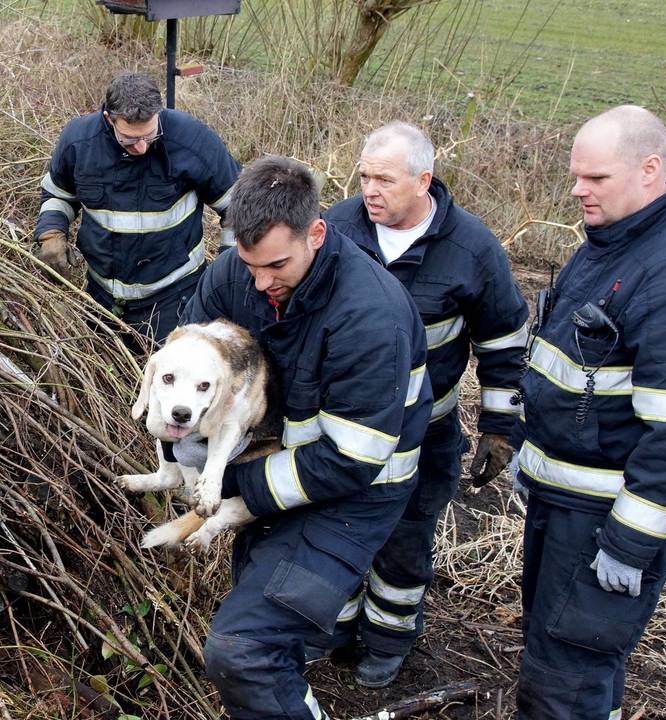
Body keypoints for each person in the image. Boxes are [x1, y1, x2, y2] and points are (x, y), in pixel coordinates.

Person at [175, 155, 432, 719]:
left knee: (246, 649)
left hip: (353, 498)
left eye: (277, 265)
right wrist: (187, 438)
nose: (262, 283)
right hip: (275, 476)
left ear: (316, 232)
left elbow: (349, 461)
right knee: (267, 639)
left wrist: (230, 477)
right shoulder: (232, 275)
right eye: (250, 264)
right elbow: (194, 363)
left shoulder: (371, 315)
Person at [316, 122, 529, 686]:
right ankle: (330, 629)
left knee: (407, 539)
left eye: (385, 179)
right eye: (364, 176)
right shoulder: (333, 230)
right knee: (333, 527)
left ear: (424, 181)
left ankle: (387, 641)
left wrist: (499, 428)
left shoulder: (470, 250)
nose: (370, 190)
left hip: (425, 432)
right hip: (338, 429)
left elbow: (504, 341)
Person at [510, 105, 666, 718]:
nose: (577, 190)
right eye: (576, 175)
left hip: (600, 520)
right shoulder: (606, 247)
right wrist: (528, 452)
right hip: (561, 503)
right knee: (563, 660)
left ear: (651, 169)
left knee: (564, 677)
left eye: (595, 178)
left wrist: (627, 543)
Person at [34, 71, 240, 349]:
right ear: (109, 118)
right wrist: (51, 233)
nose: (142, 147)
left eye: (150, 134)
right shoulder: (79, 142)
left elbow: (239, 208)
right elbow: (58, 194)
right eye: (129, 139)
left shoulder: (192, 141)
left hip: (175, 301)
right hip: (100, 300)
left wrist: (224, 277)